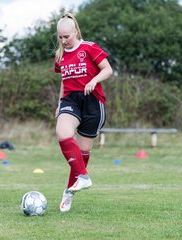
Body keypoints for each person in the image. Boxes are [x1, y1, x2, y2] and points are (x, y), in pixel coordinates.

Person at [54, 12, 113, 212]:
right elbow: (63, 80)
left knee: (82, 154)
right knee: (62, 133)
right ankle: (84, 178)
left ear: (75, 31)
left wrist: (94, 80)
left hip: (92, 102)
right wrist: (60, 102)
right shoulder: (60, 54)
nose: (63, 41)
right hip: (71, 100)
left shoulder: (89, 48)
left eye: (66, 37)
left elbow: (108, 69)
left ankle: (69, 193)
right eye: (60, 38)